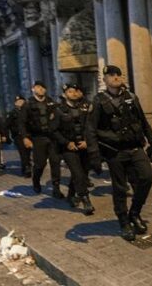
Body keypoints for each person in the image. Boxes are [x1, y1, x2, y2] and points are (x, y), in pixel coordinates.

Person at [86, 65, 152, 241]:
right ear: (105, 79)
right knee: (120, 188)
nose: (116, 77)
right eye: (112, 75)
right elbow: (90, 130)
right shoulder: (98, 101)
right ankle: (124, 221)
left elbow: (143, 120)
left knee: (147, 177)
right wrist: (94, 155)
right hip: (114, 152)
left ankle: (135, 212)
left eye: (118, 74)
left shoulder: (131, 97)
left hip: (135, 147)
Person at [53, 83, 95, 215]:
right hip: (68, 148)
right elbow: (53, 130)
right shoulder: (58, 109)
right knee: (78, 173)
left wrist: (87, 141)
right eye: (70, 91)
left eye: (76, 91)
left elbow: (90, 126)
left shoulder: (85, 107)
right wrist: (66, 143)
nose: (74, 94)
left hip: (83, 145)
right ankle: (85, 200)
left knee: (82, 172)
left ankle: (71, 195)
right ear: (65, 94)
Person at [20, 81, 64, 198]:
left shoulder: (51, 102)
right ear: (33, 89)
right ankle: (36, 182)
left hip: (52, 137)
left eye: (43, 87)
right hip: (37, 138)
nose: (41, 89)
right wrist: (25, 138)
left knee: (55, 162)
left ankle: (56, 188)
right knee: (40, 164)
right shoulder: (28, 104)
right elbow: (22, 123)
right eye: (38, 87)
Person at [7, 95, 31, 177]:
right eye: (18, 101)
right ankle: (26, 169)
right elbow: (7, 125)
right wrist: (7, 136)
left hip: (28, 134)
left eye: (21, 101)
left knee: (27, 152)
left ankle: (27, 166)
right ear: (15, 103)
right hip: (18, 136)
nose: (20, 103)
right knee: (23, 152)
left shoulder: (28, 111)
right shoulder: (12, 113)